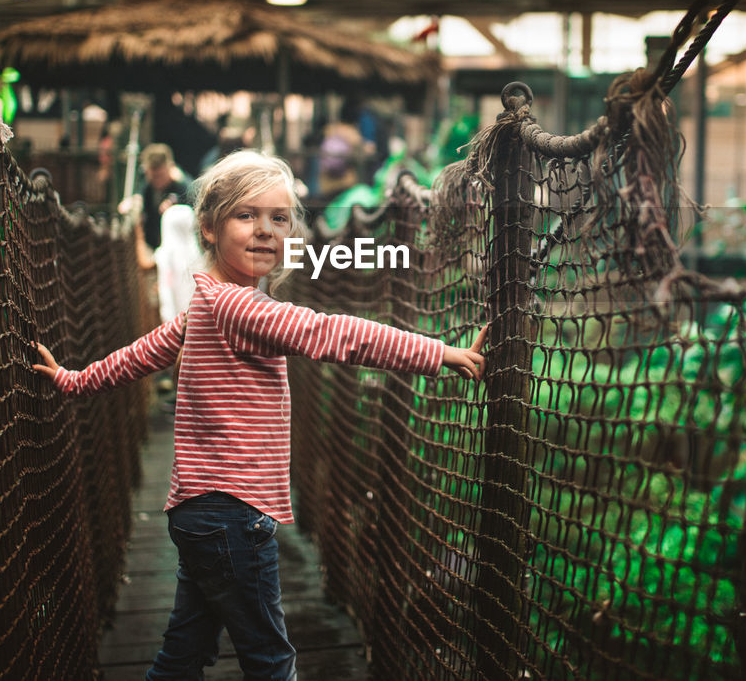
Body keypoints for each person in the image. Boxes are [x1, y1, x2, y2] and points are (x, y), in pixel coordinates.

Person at [31, 149, 487, 681]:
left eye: (279, 218)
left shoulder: (208, 301)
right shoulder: (243, 308)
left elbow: (142, 354)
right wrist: (439, 353)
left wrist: (74, 379)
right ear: (208, 227)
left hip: (201, 512)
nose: (265, 230)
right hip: (231, 513)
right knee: (271, 659)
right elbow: (336, 333)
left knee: (182, 656)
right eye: (246, 215)